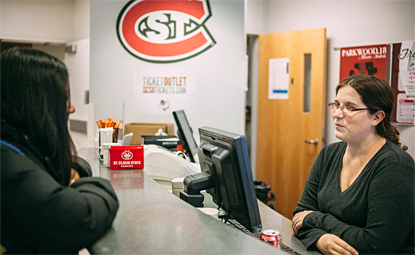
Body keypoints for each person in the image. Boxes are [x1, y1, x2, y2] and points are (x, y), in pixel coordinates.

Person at [1, 47, 119, 254]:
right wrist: (99, 185)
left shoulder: (17, 142)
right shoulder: (7, 165)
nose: (72, 107)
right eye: (63, 98)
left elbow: (58, 162)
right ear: (33, 103)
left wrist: (76, 170)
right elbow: (81, 217)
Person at [292, 74, 414, 255]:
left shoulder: (395, 166)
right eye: (336, 105)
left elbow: (376, 246)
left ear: (376, 117)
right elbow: (300, 215)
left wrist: (317, 219)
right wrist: (320, 239)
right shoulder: (328, 154)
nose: (336, 114)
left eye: (350, 107)